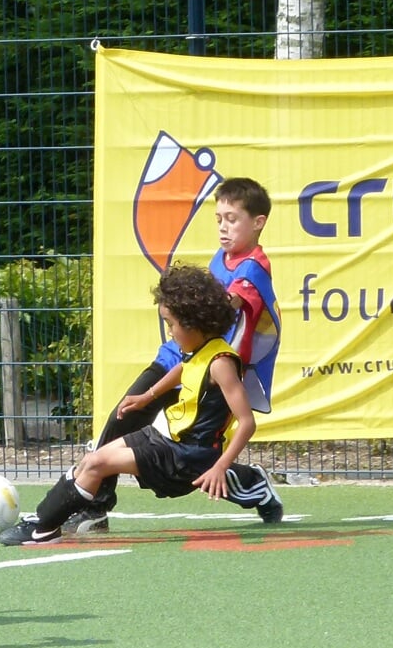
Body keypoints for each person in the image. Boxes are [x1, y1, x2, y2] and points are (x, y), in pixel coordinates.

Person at [69, 177, 284, 533]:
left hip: (204, 371)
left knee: (188, 461)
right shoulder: (224, 257)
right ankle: (96, 507)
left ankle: (250, 484)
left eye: (232, 219)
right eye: (218, 219)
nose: (223, 227)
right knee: (126, 419)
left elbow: (218, 312)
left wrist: (180, 304)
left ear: (258, 222)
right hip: (178, 358)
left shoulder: (252, 270)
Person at [0, 263, 259, 546]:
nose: (170, 332)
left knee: (97, 464)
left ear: (194, 322)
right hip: (166, 439)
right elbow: (184, 370)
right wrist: (147, 396)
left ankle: (44, 529)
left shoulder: (222, 364)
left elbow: (247, 422)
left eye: (171, 324)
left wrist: (221, 466)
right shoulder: (199, 350)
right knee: (91, 458)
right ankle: (42, 520)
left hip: (184, 457)